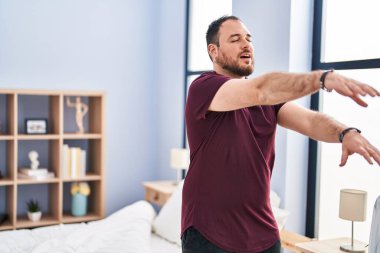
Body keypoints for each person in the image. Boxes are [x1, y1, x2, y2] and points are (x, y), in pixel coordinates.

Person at [181, 15, 380, 253]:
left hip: (264, 236)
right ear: (213, 51)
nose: (246, 45)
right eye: (235, 39)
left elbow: (310, 120)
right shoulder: (203, 88)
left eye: (249, 39)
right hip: (209, 235)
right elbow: (261, 90)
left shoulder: (268, 102)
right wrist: (322, 78)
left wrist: (344, 133)